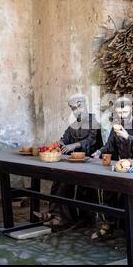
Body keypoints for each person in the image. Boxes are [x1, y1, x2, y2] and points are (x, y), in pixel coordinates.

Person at [91, 97, 133, 239]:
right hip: (121, 166)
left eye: (125, 111)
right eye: (119, 112)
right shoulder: (116, 124)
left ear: (131, 108)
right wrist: (100, 151)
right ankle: (108, 224)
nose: (122, 115)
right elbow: (109, 145)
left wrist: (127, 136)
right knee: (108, 189)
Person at [41, 95, 102, 228]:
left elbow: (91, 141)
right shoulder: (73, 125)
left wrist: (73, 146)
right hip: (74, 162)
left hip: (91, 163)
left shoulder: (94, 122)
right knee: (59, 179)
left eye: (77, 107)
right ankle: (57, 214)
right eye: (73, 109)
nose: (75, 111)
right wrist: (60, 143)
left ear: (84, 105)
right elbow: (65, 138)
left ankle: (73, 217)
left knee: (75, 185)